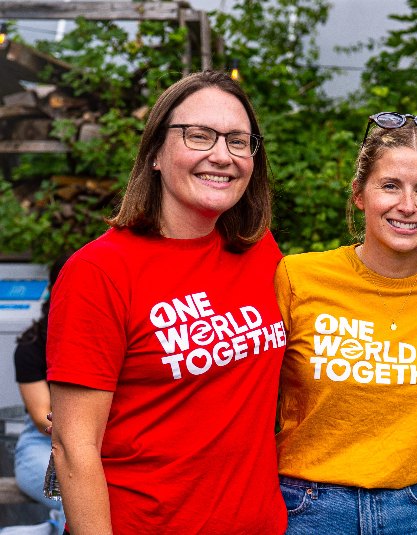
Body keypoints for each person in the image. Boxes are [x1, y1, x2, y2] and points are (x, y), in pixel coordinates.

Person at [46, 70, 287, 534]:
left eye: (239, 141)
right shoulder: (99, 272)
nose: (222, 155)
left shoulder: (259, 251)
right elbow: (74, 448)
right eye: (199, 136)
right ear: (155, 152)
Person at [274, 112, 417, 534]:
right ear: (359, 194)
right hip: (308, 509)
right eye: (389, 186)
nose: (407, 205)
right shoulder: (297, 277)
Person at [13, 255, 69, 535]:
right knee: (75, 495)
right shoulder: (32, 345)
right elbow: (42, 419)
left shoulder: (117, 334)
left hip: (105, 447)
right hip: (42, 448)